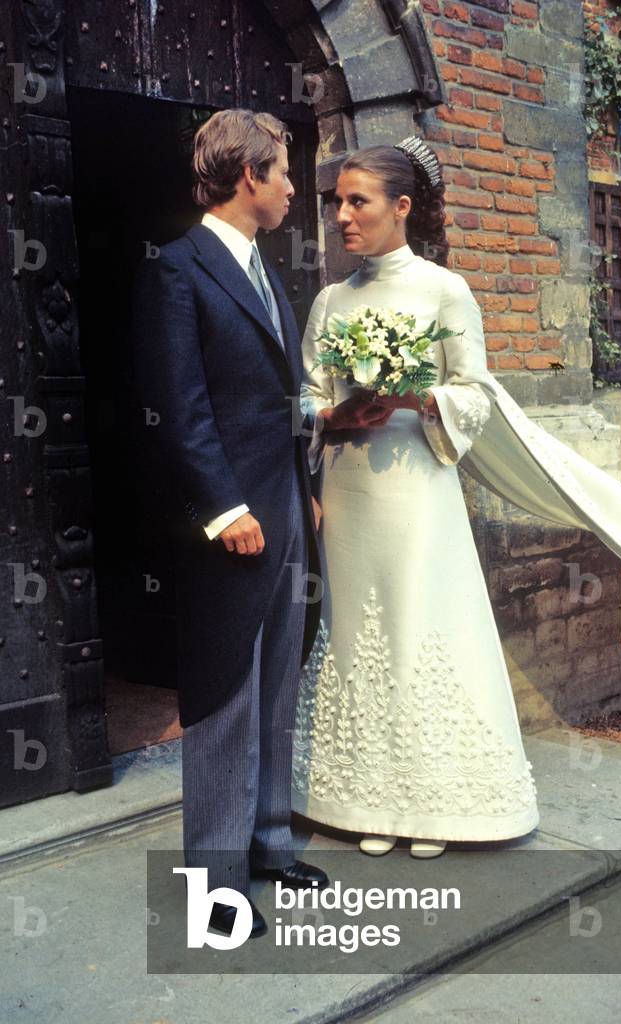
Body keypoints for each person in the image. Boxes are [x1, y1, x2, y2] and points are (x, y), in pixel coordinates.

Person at [291, 137, 621, 860]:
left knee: (419, 630)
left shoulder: (443, 290)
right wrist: (336, 416)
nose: (341, 215)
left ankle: (435, 806)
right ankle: (367, 798)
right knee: (357, 634)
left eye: (356, 201)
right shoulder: (331, 299)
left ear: (400, 208)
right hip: (349, 489)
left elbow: (473, 394)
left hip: (413, 488)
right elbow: (308, 399)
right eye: (335, 201)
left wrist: (413, 395)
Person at [132, 109, 327, 938]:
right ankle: (213, 886)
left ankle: (270, 843)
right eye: (282, 171)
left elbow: (270, 399)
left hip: (286, 509)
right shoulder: (176, 270)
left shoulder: (264, 266)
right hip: (232, 527)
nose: (291, 186)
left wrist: (303, 483)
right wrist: (223, 508)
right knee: (223, 697)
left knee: (281, 682)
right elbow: (180, 408)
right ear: (248, 175)